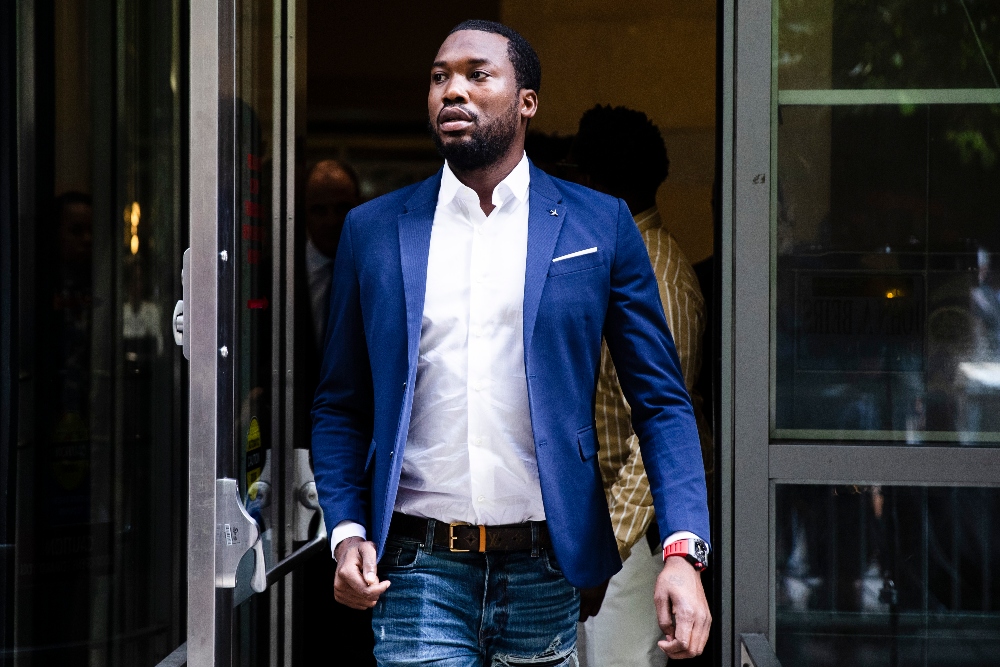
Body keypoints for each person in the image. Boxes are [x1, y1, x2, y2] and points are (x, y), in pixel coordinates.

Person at [311, 20, 711, 666]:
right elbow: (340, 405)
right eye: (440, 77)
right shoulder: (375, 231)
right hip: (416, 567)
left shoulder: (597, 225)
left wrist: (683, 551)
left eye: (477, 74)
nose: (452, 90)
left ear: (527, 100)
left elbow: (662, 402)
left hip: (545, 565)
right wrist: (348, 527)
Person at [569, 105, 712, 667]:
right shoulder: (616, 257)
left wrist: (603, 553)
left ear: (600, 183)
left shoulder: (662, 281)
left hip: (630, 545)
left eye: (578, 172)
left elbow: (655, 441)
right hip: (600, 537)